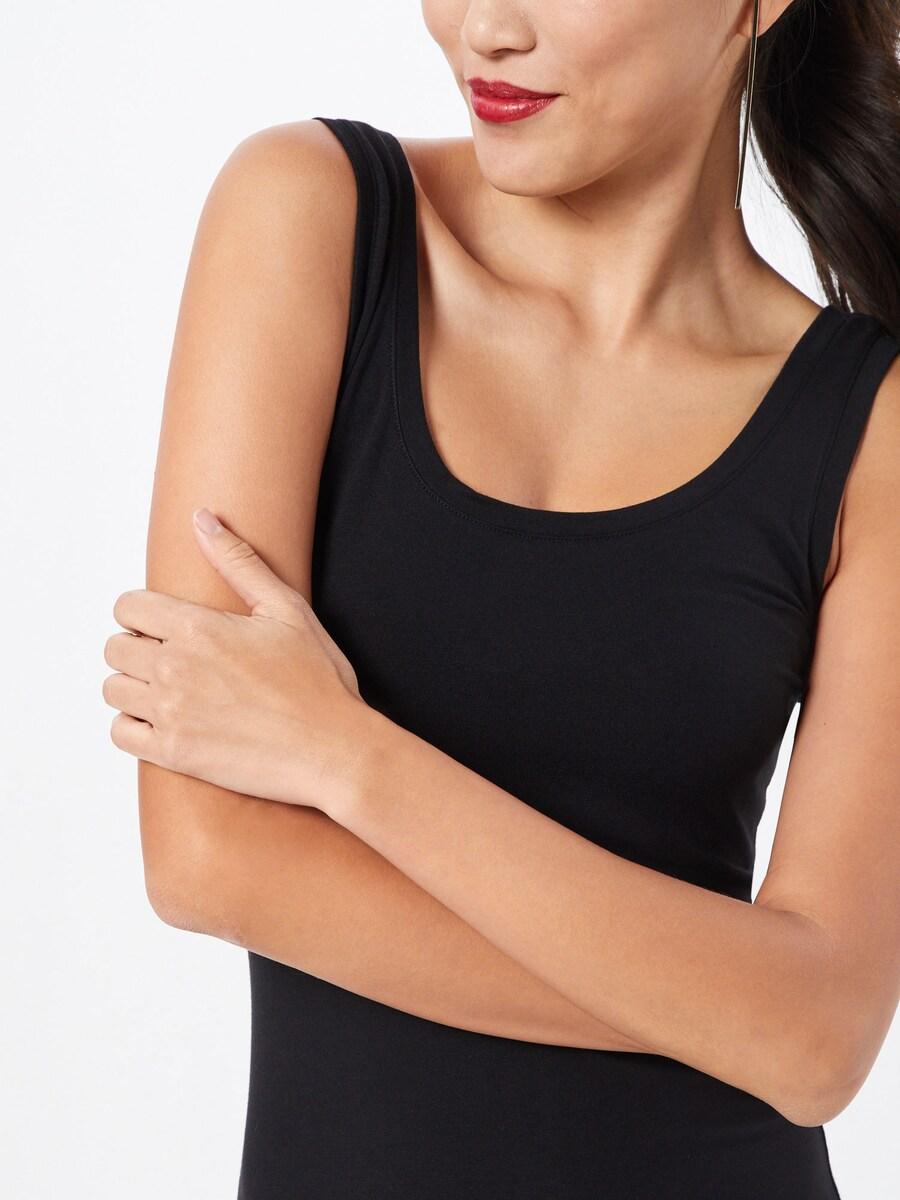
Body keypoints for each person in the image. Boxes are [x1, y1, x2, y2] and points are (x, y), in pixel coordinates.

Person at [103, 1, 900, 1196]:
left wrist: (348, 757)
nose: (482, 27)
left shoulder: (872, 427)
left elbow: (821, 1039)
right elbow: (208, 857)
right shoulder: (313, 217)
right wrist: (730, 1008)